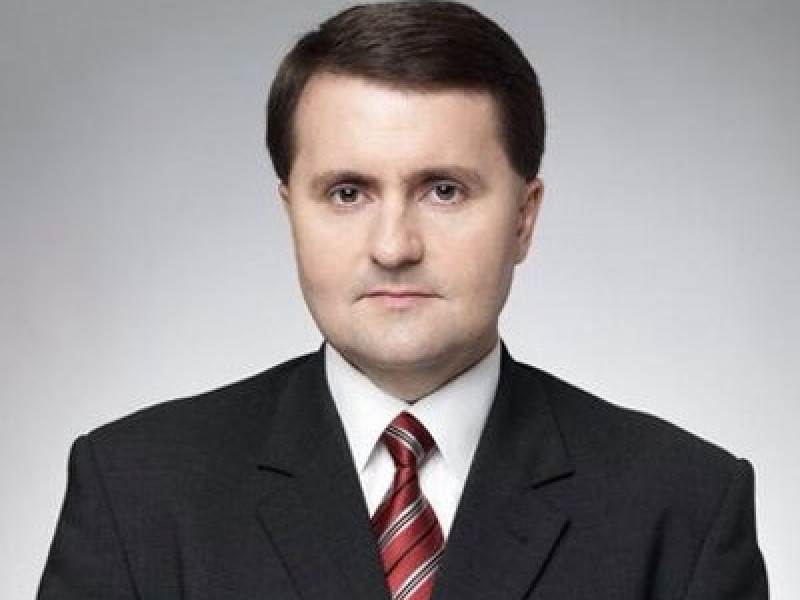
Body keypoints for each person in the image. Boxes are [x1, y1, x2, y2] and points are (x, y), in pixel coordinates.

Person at [37, 2, 768, 599]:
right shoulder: (134, 491)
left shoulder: (684, 506)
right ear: (292, 213)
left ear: (523, 218)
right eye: (346, 193)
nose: (393, 246)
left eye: (443, 190)